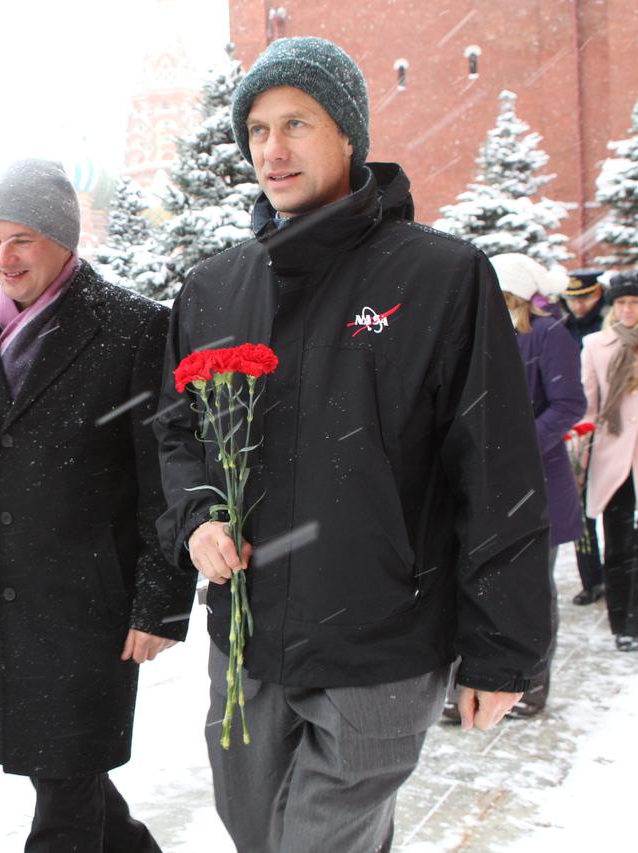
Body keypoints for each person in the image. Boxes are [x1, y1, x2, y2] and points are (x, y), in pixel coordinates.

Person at [153, 37, 552, 852]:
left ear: (348, 136)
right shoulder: (216, 285)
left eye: (296, 122)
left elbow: (496, 466)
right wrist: (197, 517)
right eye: (258, 128)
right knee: (256, 831)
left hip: (382, 639)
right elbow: (177, 427)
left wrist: (502, 651)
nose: (273, 147)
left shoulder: (439, 276)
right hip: (250, 638)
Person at [0, 159, 195, 853]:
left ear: (63, 240)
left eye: (21, 238)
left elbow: (162, 477)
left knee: (65, 794)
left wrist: (161, 601)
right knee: (68, 777)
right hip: (5, 597)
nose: (2, 256)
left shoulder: (134, 328)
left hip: (90, 608)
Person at [488, 253, 585, 715]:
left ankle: (531, 686)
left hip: (540, 486)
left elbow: (569, 404)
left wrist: (522, 447)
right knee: (488, 586)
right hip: (491, 487)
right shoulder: (488, 334)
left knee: (534, 590)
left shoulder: (548, 335)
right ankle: (487, 683)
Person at [581, 270, 638, 651]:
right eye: (621, 302)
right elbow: (587, 407)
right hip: (612, 455)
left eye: (634, 302)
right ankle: (624, 624)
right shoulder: (595, 345)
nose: (628, 309)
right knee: (618, 543)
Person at [563, 268, 609, 604]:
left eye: (585, 298)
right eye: (573, 299)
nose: (579, 306)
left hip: (612, 427)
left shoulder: (608, 328)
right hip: (578, 429)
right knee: (582, 510)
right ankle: (591, 579)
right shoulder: (562, 328)